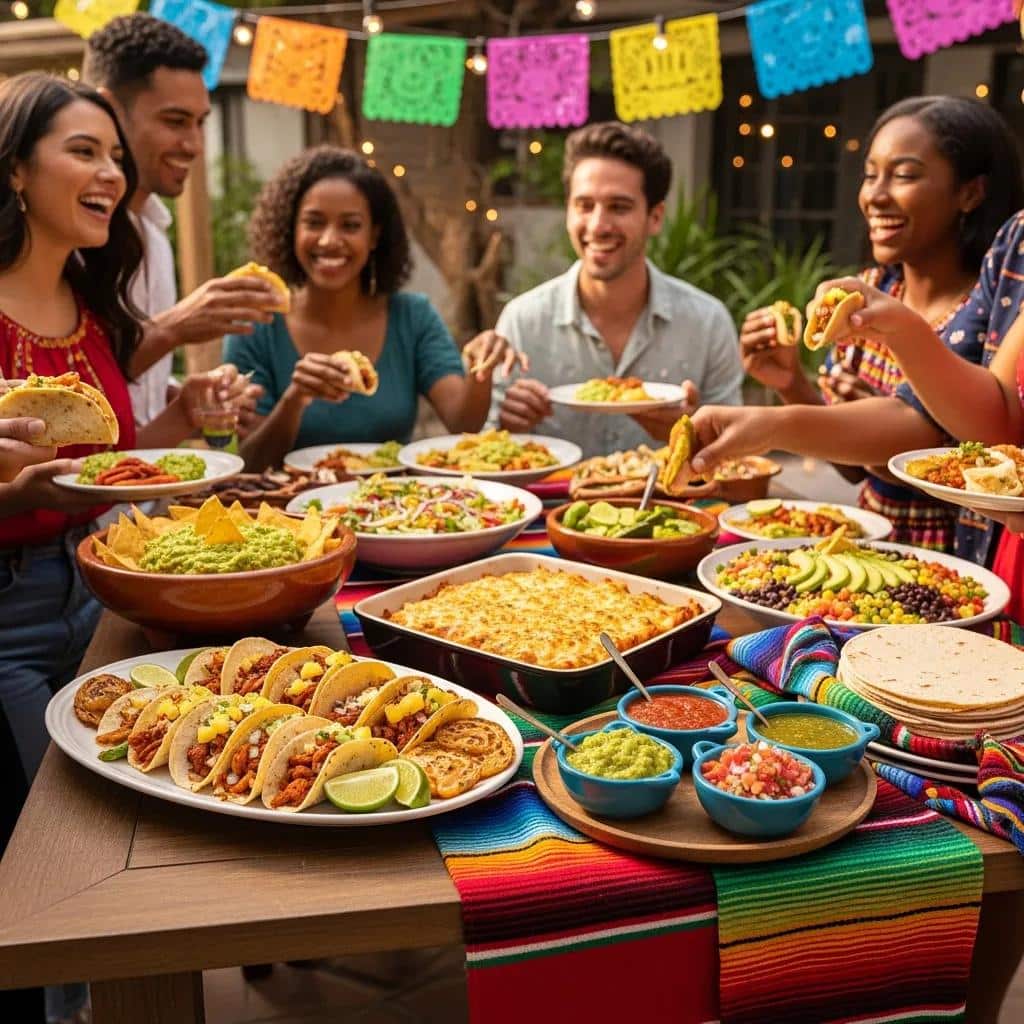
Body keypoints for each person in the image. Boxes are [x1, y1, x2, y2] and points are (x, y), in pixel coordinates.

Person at [0, 72, 251, 806]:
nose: (112, 173)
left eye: (115, 156)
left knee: (144, 789)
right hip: (9, 618)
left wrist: (191, 418)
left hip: (101, 591)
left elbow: (109, 464)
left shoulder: (92, 304)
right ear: (15, 169)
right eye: (84, 151)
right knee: (57, 823)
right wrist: (18, 494)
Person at [737, 97, 1022, 550]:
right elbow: (850, 468)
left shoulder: (992, 310)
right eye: (871, 175)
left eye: (904, 175)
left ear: (970, 193)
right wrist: (791, 383)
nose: (875, 195)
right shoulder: (865, 293)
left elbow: (985, 441)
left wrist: (768, 424)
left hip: (958, 551)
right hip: (870, 544)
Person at [225, 146, 523, 471]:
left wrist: (482, 367)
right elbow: (249, 463)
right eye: (314, 222)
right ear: (290, 229)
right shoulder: (255, 325)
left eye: (350, 225)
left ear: (374, 236)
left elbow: (463, 423)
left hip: (394, 500)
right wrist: (294, 400)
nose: (329, 240)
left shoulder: (412, 317)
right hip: (286, 502)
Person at [490, 121, 743, 459]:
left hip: (670, 494)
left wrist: (694, 434)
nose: (598, 226)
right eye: (584, 205)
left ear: (655, 217)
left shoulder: (708, 323)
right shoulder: (523, 321)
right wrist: (509, 426)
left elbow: (737, 459)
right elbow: (486, 453)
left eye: (619, 207)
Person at [83, 13, 271, 428]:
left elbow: (135, 394)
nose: (194, 145)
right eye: (175, 121)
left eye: (200, 123)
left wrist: (186, 395)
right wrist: (173, 327)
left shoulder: (153, 232)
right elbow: (67, 383)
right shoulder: (67, 236)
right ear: (107, 111)